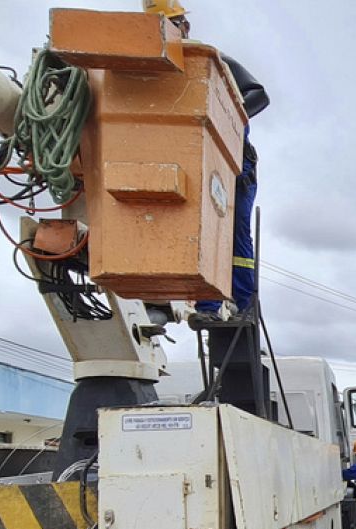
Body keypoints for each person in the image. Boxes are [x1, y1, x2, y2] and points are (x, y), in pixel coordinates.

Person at [143, 1, 267, 320]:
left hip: (234, 165)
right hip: (192, 164)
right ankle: (208, 306)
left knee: (234, 231)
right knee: (200, 232)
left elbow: (258, 96)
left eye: (174, 24)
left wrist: (226, 119)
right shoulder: (155, 72)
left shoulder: (210, 61)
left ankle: (246, 303)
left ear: (184, 26)